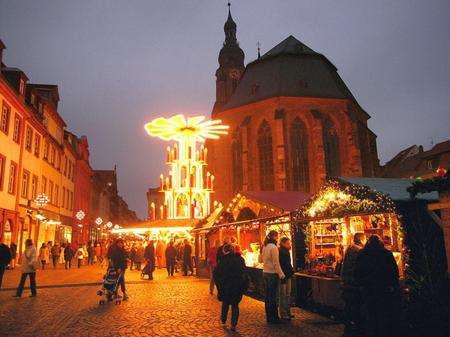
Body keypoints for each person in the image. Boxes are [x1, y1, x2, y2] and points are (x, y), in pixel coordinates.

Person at [354, 235, 400, 337]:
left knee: (370, 313)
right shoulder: (386, 254)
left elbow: (357, 271)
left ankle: (371, 331)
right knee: (383, 312)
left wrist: (360, 284)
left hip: (368, 288)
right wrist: (393, 285)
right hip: (383, 288)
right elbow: (393, 271)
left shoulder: (362, 254)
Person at [214, 244, 247, 332]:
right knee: (235, 305)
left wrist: (219, 286)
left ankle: (223, 320)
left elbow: (216, 274)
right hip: (237, 286)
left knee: (225, 303)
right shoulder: (240, 259)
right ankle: (233, 325)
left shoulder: (222, 260)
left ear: (225, 251)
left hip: (225, 286)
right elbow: (244, 273)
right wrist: (243, 286)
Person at [341, 233, 366, 336]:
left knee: (349, 306)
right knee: (356, 307)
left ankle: (348, 328)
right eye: (364, 239)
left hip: (347, 283)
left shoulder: (349, 249)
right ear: (361, 240)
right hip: (354, 284)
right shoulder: (359, 251)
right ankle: (356, 329)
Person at [261, 230, 285, 324]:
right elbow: (276, 263)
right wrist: (281, 274)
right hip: (272, 274)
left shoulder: (265, 246)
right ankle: (274, 317)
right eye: (277, 236)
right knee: (273, 296)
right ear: (275, 237)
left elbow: (262, 259)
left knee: (267, 296)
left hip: (265, 272)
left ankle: (269, 317)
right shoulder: (274, 247)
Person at [279, 237, 294, 320]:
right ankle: (284, 313)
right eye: (288, 243)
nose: (290, 245)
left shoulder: (286, 251)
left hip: (286, 275)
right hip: (284, 276)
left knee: (287, 294)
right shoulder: (282, 252)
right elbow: (285, 264)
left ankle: (287, 312)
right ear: (283, 243)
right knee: (284, 295)